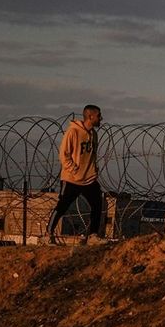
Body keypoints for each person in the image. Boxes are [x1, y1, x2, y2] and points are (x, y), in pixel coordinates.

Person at [47, 104, 105, 245]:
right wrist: (75, 170)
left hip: (89, 178)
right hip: (72, 179)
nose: (101, 118)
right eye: (98, 116)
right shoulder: (73, 132)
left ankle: (92, 236)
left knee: (97, 204)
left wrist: (94, 169)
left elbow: (92, 155)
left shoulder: (94, 134)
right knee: (63, 206)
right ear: (90, 116)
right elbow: (63, 154)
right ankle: (47, 234)